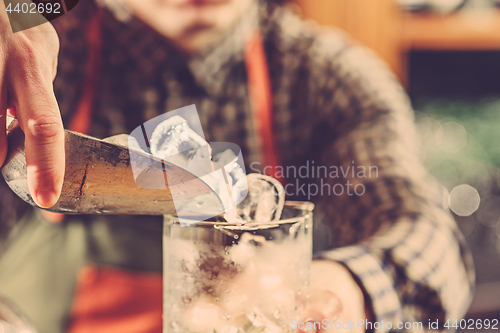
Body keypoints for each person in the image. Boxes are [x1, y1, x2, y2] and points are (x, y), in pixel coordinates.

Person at [0, 0, 474, 332]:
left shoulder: (326, 75)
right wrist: (14, 11)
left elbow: (429, 240)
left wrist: (339, 288)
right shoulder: (39, 52)